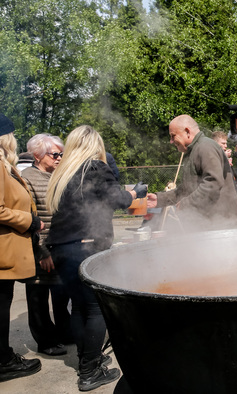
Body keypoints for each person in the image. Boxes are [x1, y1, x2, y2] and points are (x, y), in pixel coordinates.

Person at [45, 125, 147, 391]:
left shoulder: (63, 173)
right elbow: (119, 200)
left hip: (61, 248)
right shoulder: (95, 168)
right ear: (94, 145)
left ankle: (86, 360)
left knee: (79, 307)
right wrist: (136, 192)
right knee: (95, 308)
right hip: (87, 246)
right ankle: (89, 372)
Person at [0, 113, 43, 382]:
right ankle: (4, 362)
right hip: (3, 250)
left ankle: (3, 355)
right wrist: (29, 221)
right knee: (1, 307)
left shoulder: (6, 166)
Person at [21, 134, 72, 357]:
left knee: (62, 293)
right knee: (38, 296)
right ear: (37, 156)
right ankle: (45, 340)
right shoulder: (26, 178)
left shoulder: (58, 175)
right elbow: (28, 218)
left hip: (61, 245)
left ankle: (64, 331)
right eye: (55, 154)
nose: (60, 158)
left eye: (62, 154)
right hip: (39, 248)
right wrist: (40, 251)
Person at [146, 115, 237, 230]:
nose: (171, 141)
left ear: (187, 132)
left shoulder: (205, 147)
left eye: (173, 136)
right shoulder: (194, 150)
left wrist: (186, 203)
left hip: (218, 225)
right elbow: (185, 190)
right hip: (207, 225)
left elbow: (213, 183)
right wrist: (159, 199)